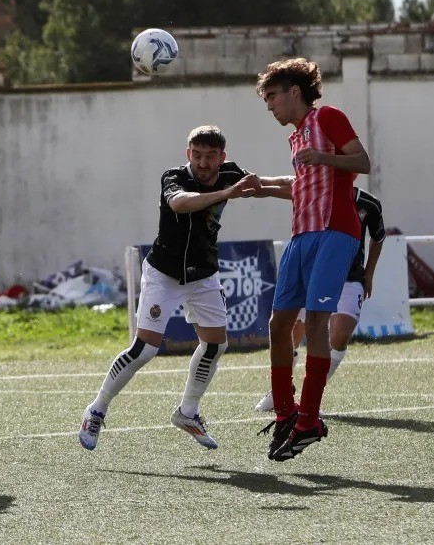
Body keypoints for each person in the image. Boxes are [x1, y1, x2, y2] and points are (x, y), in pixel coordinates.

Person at [78, 125, 289, 452]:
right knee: (145, 348)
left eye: (210, 157)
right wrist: (224, 194)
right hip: (164, 273)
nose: (203, 163)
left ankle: (187, 412)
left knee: (215, 344)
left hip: (204, 275)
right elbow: (179, 204)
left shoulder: (230, 174)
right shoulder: (174, 177)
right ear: (188, 154)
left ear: (222, 157)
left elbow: (264, 185)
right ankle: (96, 409)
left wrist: (309, 186)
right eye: (197, 155)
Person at [256, 57, 371, 462]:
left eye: (272, 96)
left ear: (294, 91)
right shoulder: (296, 136)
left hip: (335, 232)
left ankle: (309, 420)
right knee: (279, 324)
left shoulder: (329, 117)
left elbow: (362, 162)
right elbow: (302, 184)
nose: (269, 105)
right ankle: (287, 414)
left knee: (317, 321)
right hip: (301, 235)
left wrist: (324, 158)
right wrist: (262, 187)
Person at [255, 186, 386, 412]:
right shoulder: (312, 189)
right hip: (312, 274)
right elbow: (285, 185)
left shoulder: (368, 203)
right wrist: (258, 186)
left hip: (349, 277)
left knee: (340, 334)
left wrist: (369, 274)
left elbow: (378, 236)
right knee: (292, 330)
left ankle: (312, 393)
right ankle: (280, 391)